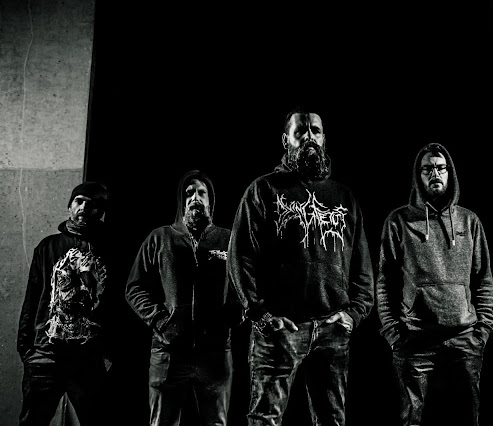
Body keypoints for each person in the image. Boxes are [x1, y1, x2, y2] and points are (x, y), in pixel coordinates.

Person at [227, 108, 375, 426]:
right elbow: (240, 256)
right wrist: (260, 313)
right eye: (300, 131)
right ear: (286, 140)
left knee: (331, 420)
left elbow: (362, 267)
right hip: (279, 330)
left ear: (324, 139)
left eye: (315, 131)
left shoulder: (343, 196)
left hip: (331, 329)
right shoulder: (264, 190)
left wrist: (354, 313)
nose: (309, 137)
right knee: (265, 419)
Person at [376, 143, 493, 426]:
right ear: (418, 175)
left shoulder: (469, 221)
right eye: (427, 169)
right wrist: (394, 334)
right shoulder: (399, 221)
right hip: (415, 341)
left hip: (464, 339)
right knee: (412, 421)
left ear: (450, 173)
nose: (435, 174)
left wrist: (482, 331)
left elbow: (484, 279)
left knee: (467, 420)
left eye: (441, 168)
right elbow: (384, 282)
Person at [125, 170, 239, 426]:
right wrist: (161, 322)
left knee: (216, 423)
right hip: (168, 353)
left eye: (201, 193)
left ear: (210, 200)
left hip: (215, 354)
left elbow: (244, 286)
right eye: (189, 193)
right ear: (181, 200)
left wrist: (231, 316)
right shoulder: (160, 238)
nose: (195, 198)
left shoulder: (228, 240)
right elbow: (134, 287)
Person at [17, 181, 113, 426]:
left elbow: (116, 304)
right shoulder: (48, 246)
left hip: (88, 358)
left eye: (92, 205)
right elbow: (32, 297)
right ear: (70, 205)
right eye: (78, 201)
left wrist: (109, 353)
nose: (83, 208)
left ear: (100, 212)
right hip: (46, 355)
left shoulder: (110, 251)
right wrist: (26, 349)